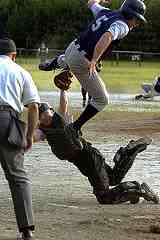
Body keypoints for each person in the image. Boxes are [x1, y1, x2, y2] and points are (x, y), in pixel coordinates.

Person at [39, 0, 147, 134]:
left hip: (71, 48)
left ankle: (54, 63)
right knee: (102, 99)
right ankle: (75, 127)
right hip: (82, 60)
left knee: (69, 59)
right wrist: (94, 60)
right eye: (136, 20)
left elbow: (91, 3)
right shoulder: (123, 26)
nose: (136, 24)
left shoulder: (105, 12)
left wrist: (101, 0)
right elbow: (107, 37)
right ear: (129, 14)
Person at [34, 90, 159, 205]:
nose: (44, 116)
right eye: (40, 115)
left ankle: (139, 189)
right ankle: (129, 152)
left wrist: (62, 90)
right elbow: (32, 137)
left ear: (51, 110)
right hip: (85, 162)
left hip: (89, 158)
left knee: (104, 197)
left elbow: (63, 104)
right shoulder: (43, 130)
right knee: (113, 178)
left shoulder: (59, 119)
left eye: (45, 112)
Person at [0, 38, 40, 240]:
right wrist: (30, 135)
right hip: (7, 120)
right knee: (18, 177)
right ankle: (26, 230)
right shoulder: (21, 72)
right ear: (13, 55)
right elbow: (33, 106)